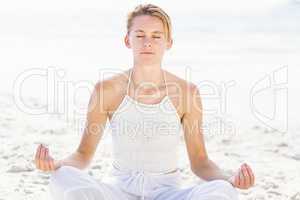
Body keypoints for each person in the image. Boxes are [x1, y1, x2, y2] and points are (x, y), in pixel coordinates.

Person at [34, 4, 255, 200]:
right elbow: (83, 156)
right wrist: (56, 164)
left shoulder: (188, 93)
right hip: (118, 190)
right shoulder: (106, 90)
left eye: (156, 36)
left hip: (167, 192)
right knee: (62, 177)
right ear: (127, 40)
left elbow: (199, 162)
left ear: (168, 43)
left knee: (223, 191)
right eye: (140, 35)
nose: (148, 42)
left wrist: (230, 177)